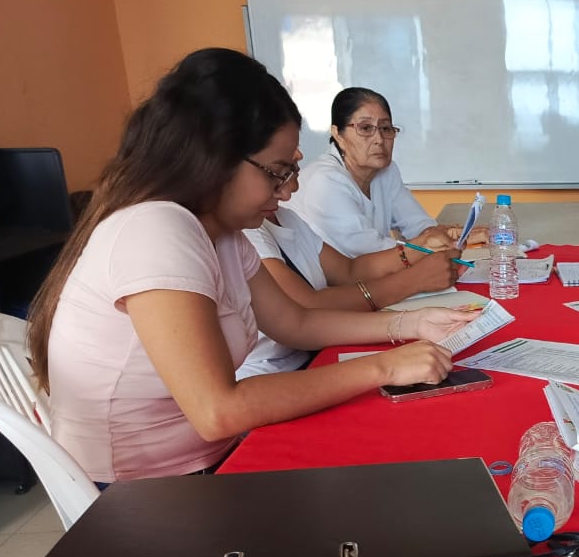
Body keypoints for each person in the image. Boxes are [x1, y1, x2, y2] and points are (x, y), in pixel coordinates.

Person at [28, 48, 480, 484]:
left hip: (211, 458)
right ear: (216, 158)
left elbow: (296, 323)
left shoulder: (222, 231)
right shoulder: (157, 229)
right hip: (145, 488)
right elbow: (218, 410)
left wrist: (413, 323)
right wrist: (385, 368)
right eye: (276, 172)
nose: (289, 191)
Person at [237, 173, 466, 378]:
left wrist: (419, 248)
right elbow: (305, 311)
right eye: (279, 172)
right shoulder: (246, 231)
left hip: (313, 354)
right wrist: (414, 281)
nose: (291, 190)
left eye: (293, 170)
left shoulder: (284, 217)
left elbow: (347, 271)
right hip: (274, 374)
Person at [285, 87, 484, 259]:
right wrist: (432, 242)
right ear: (338, 134)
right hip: (325, 285)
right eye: (365, 128)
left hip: (369, 277)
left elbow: (418, 224)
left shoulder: (387, 171)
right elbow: (369, 251)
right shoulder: (325, 180)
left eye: (386, 128)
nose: (379, 139)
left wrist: (452, 235)